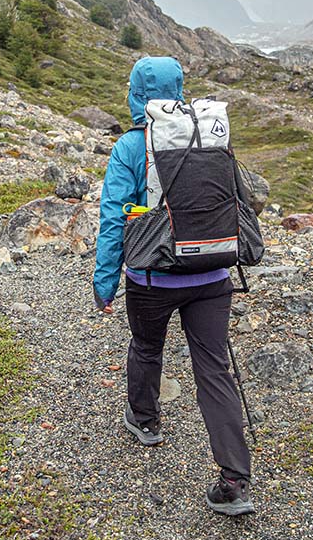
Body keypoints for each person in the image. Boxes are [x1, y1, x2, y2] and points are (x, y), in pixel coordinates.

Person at [92, 55, 254, 516]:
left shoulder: (130, 146)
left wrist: (105, 283)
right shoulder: (209, 135)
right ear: (180, 90)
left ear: (136, 93)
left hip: (153, 276)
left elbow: (111, 220)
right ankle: (234, 480)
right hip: (214, 276)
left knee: (146, 347)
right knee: (214, 369)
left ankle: (145, 421)